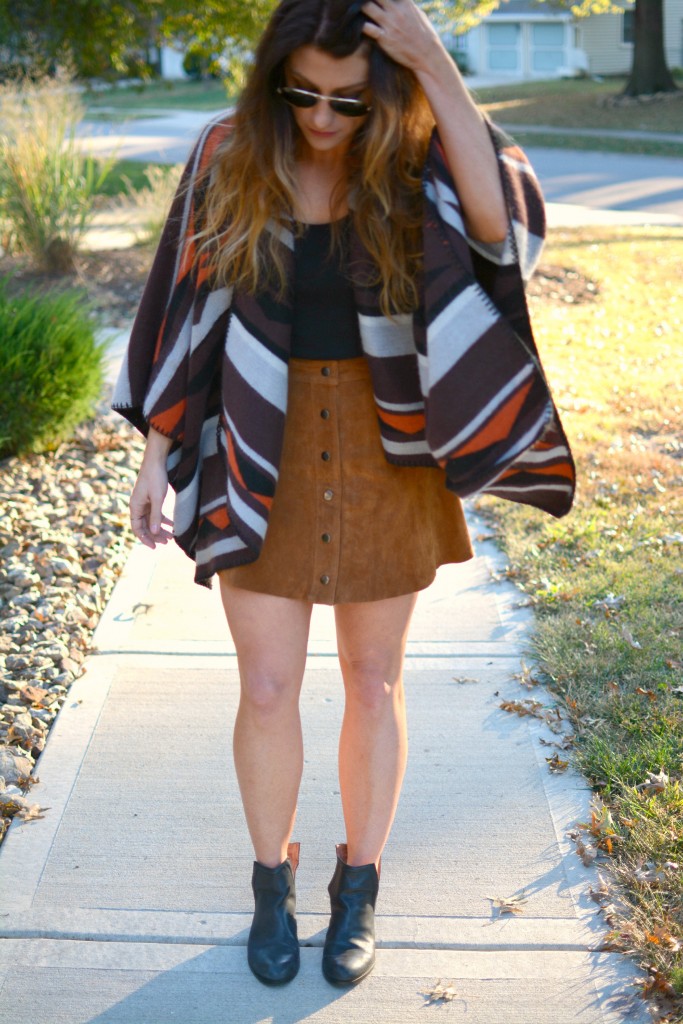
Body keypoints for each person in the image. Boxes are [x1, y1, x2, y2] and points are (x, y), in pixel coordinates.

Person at [113, 0, 575, 990]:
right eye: (304, 93)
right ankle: (270, 883)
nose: (323, 118)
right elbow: (184, 305)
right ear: (274, 77)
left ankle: (357, 884)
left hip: (384, 447)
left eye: (348, 100)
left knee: (373, 682)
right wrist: (157, 453)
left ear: (385, 91)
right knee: (268, 686)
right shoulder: (229, 151)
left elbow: (504, 233)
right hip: (255, 440)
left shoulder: (412, 149)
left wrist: (436, 68)